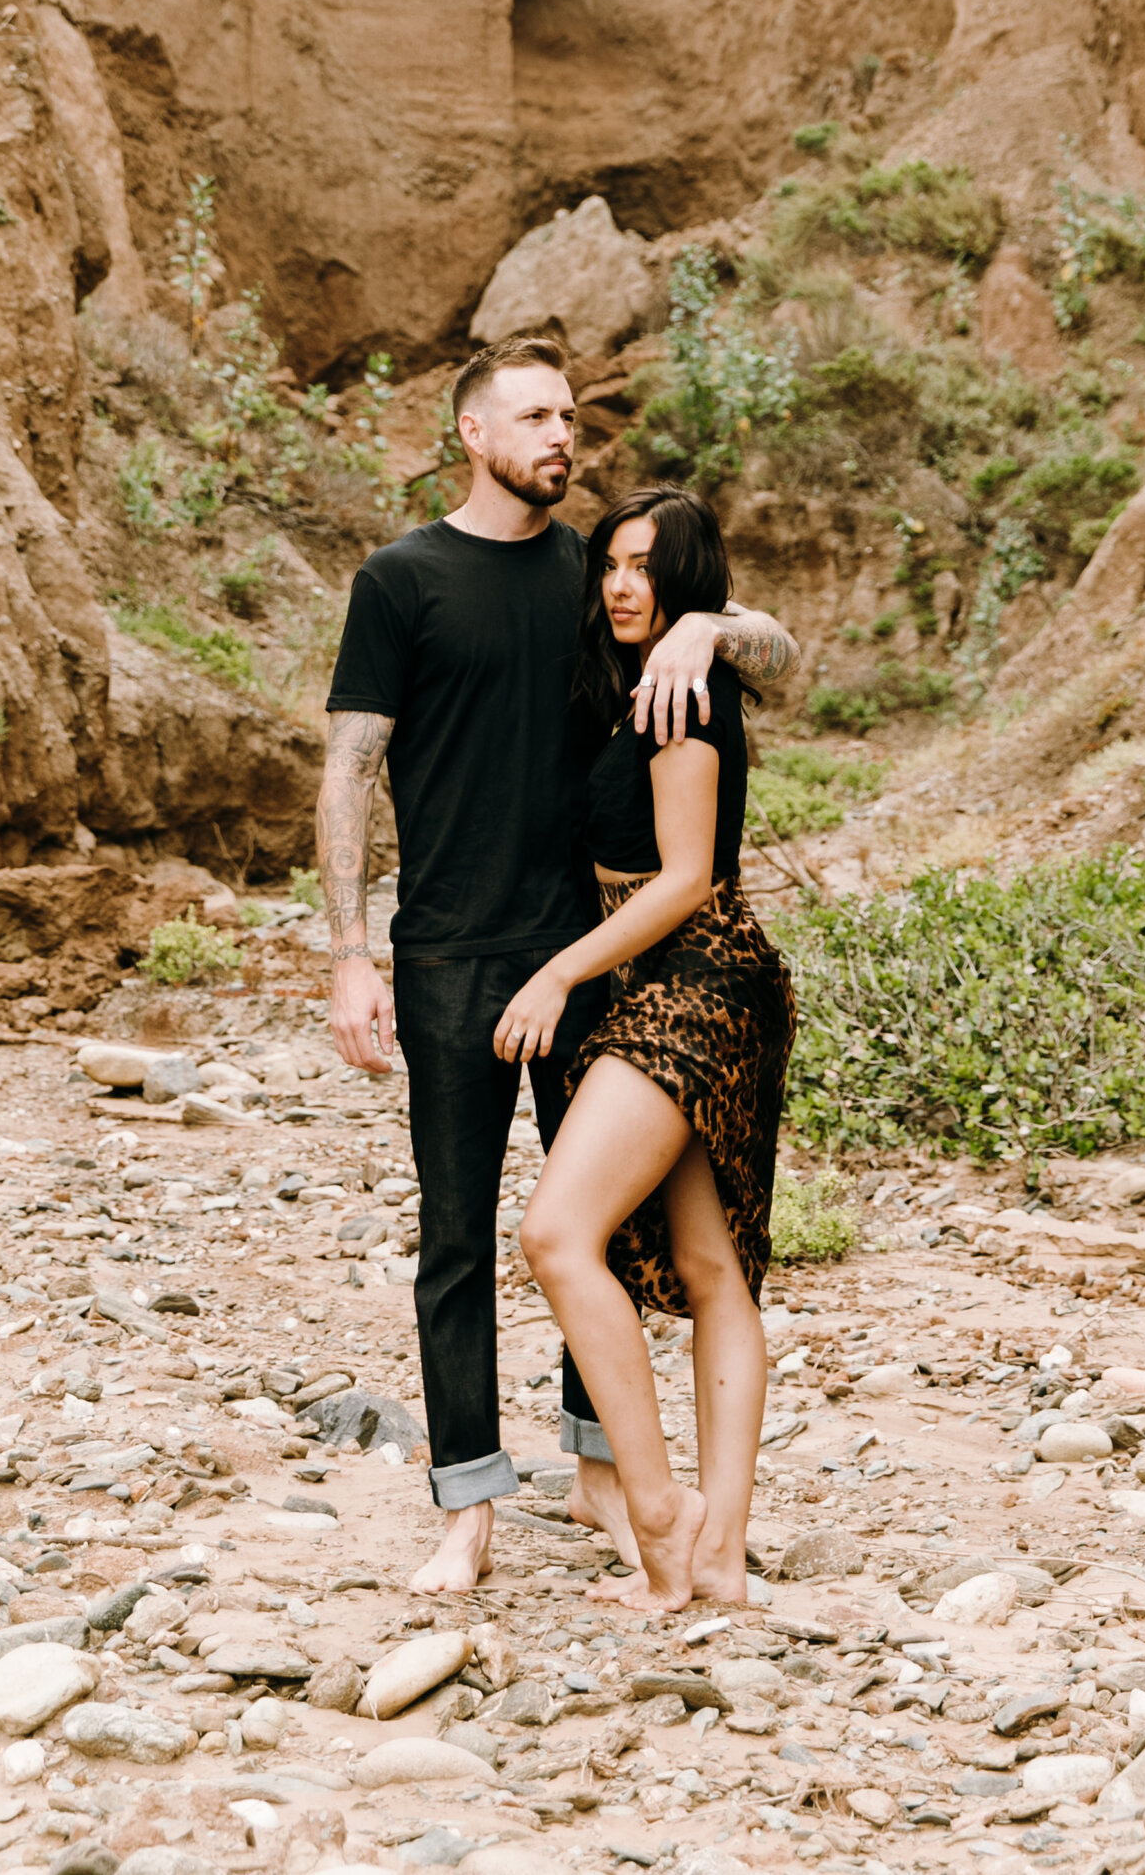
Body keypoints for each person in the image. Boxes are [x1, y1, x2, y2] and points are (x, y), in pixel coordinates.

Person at [319, 335, 794, 1597]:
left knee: (595, 1223)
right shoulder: (400, 579)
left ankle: (601, 1476)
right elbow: (349, 767)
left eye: (567, 417)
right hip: (446, 954)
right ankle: (467, 1505)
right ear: (472, 432)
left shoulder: (598, 587)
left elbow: (773, 653)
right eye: (532, 416)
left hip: (599, 966)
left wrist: (711, 623)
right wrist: (349, 952)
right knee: (457, 1234)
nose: (559, 436)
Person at [500, 483, 795, 1612]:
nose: (625, 585)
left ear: (688, 584)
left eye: (649, 570)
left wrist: (557, 970)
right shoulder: (630, 684)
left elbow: (684, 879)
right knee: (713, 1272)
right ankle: (719, 1558)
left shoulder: (685, 687)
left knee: (557, 1232)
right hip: (670, 977)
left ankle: (664, 1511)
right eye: (613, 565)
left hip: (697, 977)